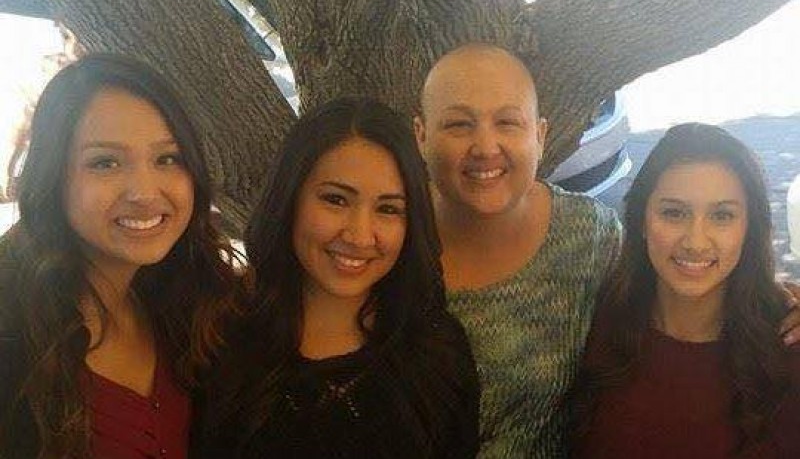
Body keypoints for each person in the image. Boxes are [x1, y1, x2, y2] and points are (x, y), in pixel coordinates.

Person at [413, 42, 800, 458]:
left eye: (507, 121)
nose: (485, 146)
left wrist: (781, 299)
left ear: (539, 135)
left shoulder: (589, 239)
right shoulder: (389, 245)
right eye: (458, 124)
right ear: (421, 135)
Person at [197, 97, 480, 458]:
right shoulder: (214, 337)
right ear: (290, 197)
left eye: (388, 209)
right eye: (336, 200)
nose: (359, 236)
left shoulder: (438, 353)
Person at [0, 53, 244, 458]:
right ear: (53, 177)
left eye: (168, 158)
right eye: (105, 163)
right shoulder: (12, 332)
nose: (145, 193)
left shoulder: (190, 304)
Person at [572, 123, 800, 458]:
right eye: (674, 213)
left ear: (749, 228)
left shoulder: (787, 348)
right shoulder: (593, 320)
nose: (695, 241)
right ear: (641, 221)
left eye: (722, 215)